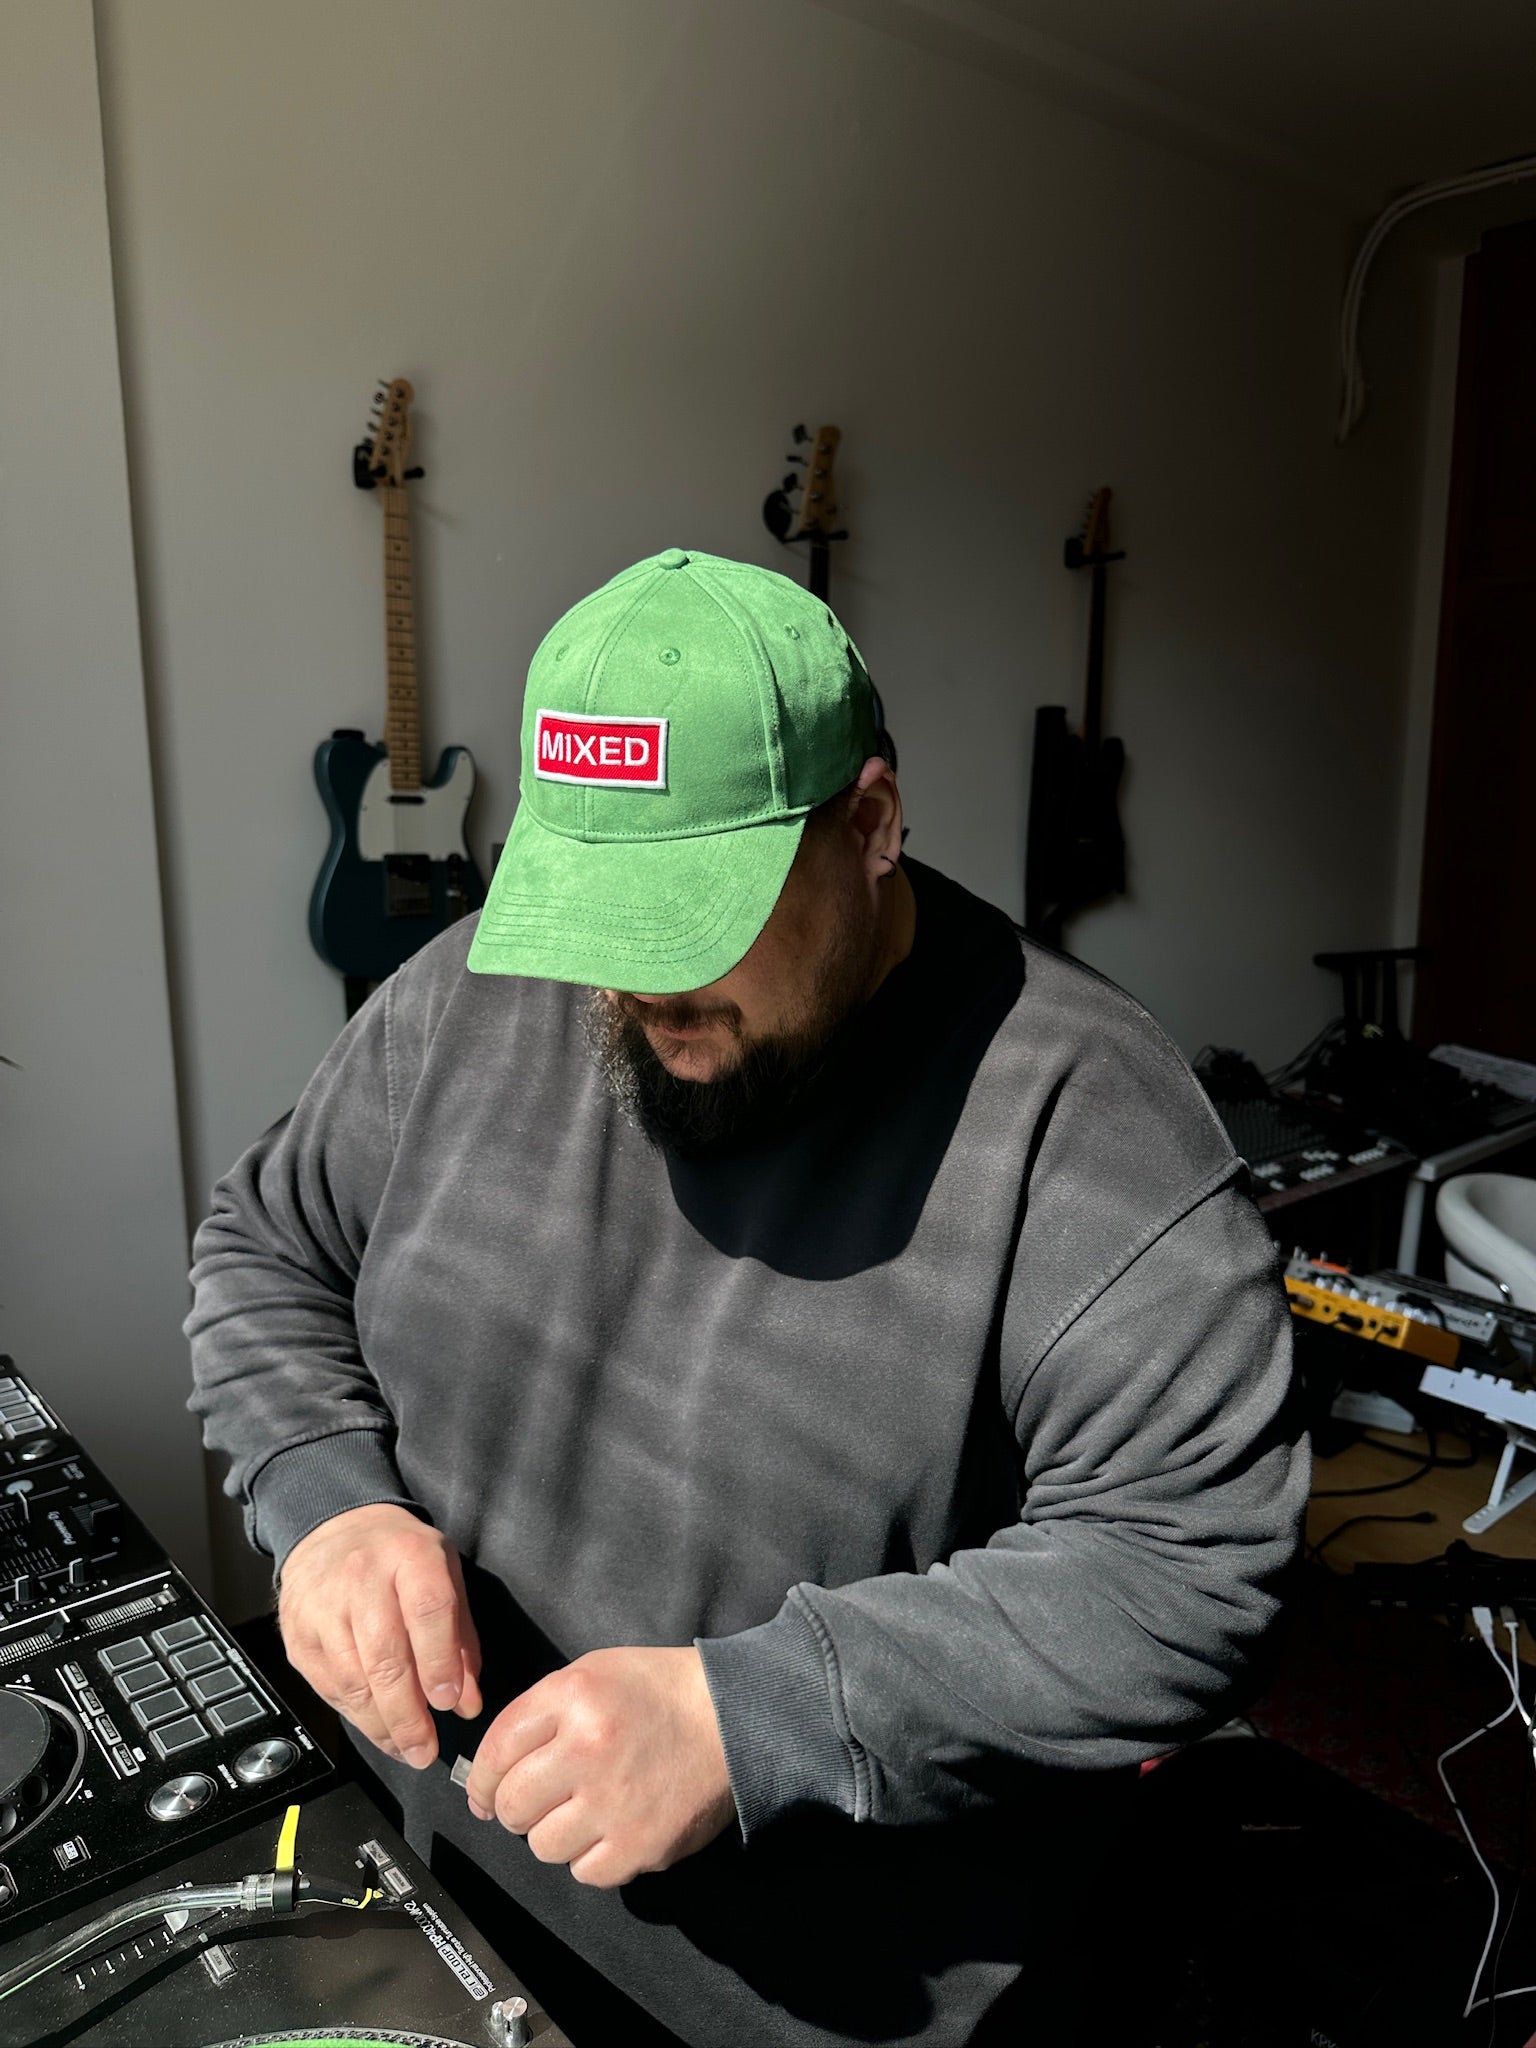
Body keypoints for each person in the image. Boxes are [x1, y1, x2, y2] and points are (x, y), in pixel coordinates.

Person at [187, 545, 1307, 2047]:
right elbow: (269, 1248)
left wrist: (755, 1717)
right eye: (600, 920)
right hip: (425, 1885)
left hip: (815, 1997)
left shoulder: (1091, 1122)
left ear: (873, 822)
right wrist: (326, 1503)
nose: (637, 997)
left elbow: (1188, 1565)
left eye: (693, 922)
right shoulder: (470, 992)